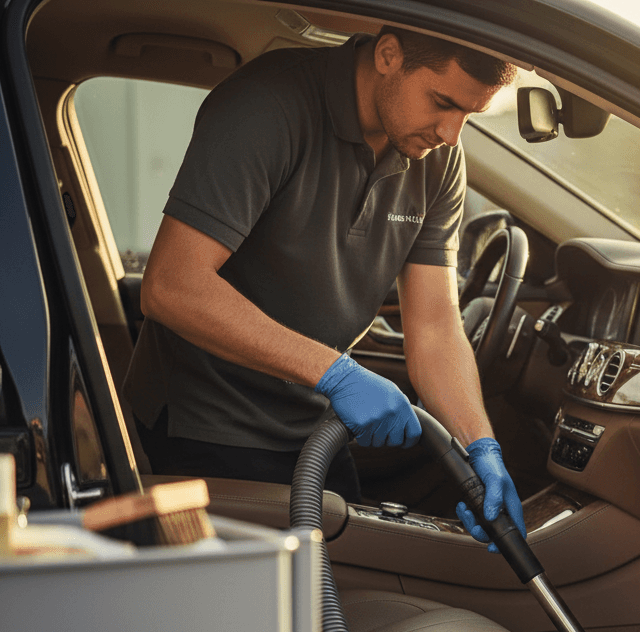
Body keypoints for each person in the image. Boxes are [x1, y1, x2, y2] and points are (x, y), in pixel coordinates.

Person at [124, 25, 525, 548]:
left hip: (315, 431)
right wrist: (336, 374)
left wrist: (481, 448)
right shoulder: (267, 108)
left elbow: (433, 323)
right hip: (205, 429)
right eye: (442, 102)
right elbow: (173, 285)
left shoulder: (437, 157)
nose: (451, 133)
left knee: (346, 599)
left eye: (469, 114)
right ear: (387, 55)